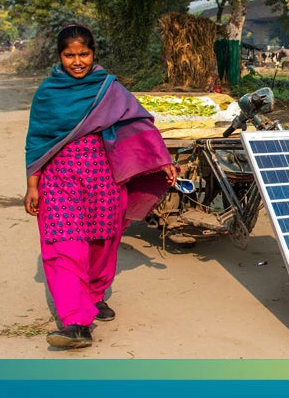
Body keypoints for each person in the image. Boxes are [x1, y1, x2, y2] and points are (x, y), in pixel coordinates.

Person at [23, 24, 176, 349]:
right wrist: (32, 184)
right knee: (63, 245)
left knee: (101, 242)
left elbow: (138, 122)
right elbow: (36, 140)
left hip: (103, 180)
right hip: (59, 181)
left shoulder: (109, 90)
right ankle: (77, 322)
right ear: (59, 56)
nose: (77, 61)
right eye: (69, 55)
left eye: (83, 54)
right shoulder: (48, 93)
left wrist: (161, 159)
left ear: (93, 54)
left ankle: (93, 297)